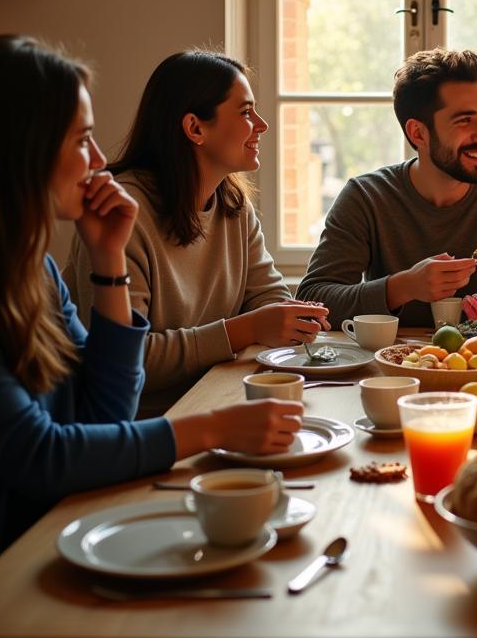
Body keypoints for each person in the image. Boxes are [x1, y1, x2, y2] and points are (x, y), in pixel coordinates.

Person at [0, 36, 303, 589]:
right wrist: (211, 427)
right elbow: (38, 455)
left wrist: (108, 261)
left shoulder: (37, 274)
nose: (99, 162)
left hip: (53, 532)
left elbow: (104, 414)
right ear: (19, 148)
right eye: (82, 139)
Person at [65, 50, 328, 417]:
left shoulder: (233, 205)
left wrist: (290, 318)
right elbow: (130, 358)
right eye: (246, 112)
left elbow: (266, 296)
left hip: (218, 401)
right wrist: (246, 329)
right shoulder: (120, 217)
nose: (262, 125)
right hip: (147, 422)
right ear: (195, 128)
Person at [297, 48, 477, 341]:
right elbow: (313, 299)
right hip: (394, 374)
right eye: (464, 120)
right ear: (418, 133)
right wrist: (404, 287)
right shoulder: (366, 197)